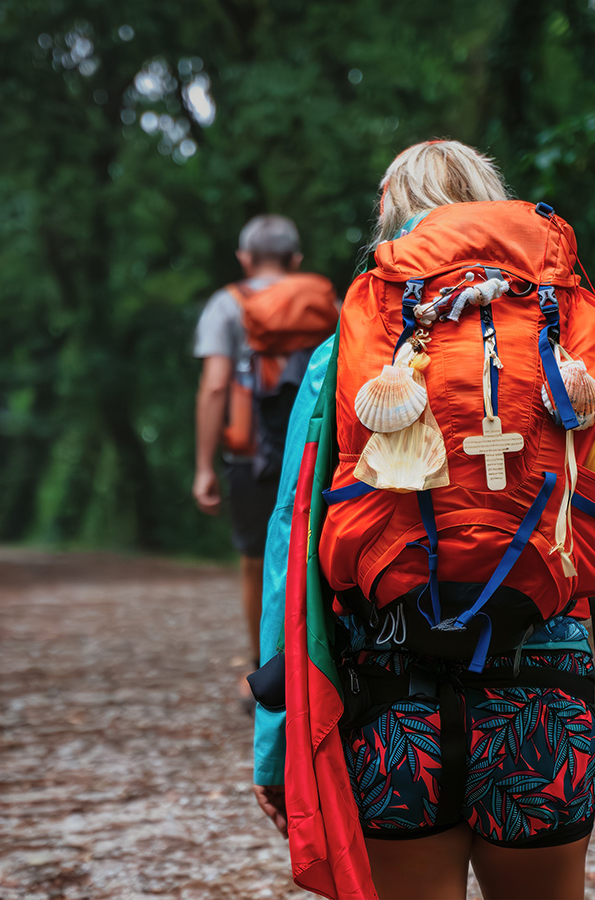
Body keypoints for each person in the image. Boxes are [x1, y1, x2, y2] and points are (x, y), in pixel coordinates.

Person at [252, 141, 595, 900]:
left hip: (391, 691)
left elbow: (292, 550)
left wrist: (276, 741)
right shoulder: (564, 324)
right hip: (545, 684)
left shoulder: (351, 344)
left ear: (389, 215)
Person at [193, 214, 337, 696]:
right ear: (296, 260)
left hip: (251, 454)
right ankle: (320, 664)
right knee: (317, 553)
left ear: (244, 258)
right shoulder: (326, 302)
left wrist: (203, 467)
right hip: (316, 449)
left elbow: (216, 386)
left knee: (256, 559)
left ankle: (261, 671)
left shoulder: (227, 305)